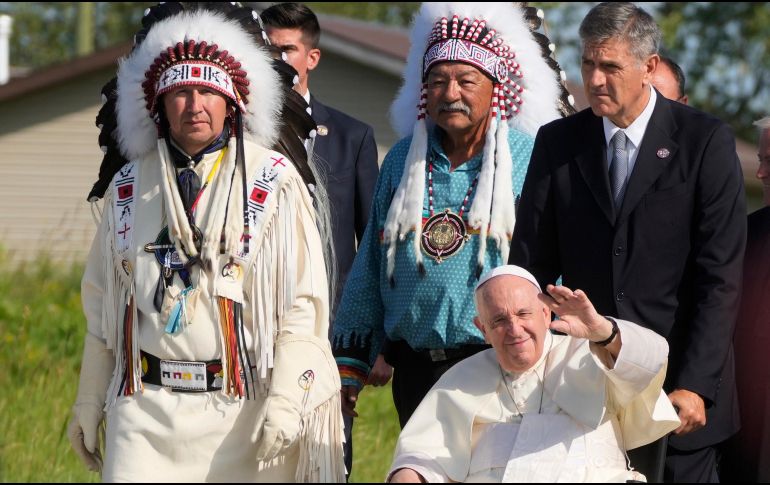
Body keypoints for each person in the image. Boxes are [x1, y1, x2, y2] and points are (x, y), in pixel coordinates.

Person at [67, 3, 344, 482]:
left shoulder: (272, 181)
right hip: (143, 413)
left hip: (241, 411)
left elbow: (302, 304)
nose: (194, 105)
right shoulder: (130, 186)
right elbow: (102, 309)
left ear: (232, 100)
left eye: (207, 91)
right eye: (181, 92)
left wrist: (285, 401)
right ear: (158, 104)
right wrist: (90, 399)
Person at [509, 2, 746, 482]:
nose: (595, 80)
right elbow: (530, 265)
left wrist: (696, 385)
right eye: (588, 64)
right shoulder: (558, 143)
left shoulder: (704, 142)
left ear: (649, 67)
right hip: (588, 396)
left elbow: (719, 278)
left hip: (679, 399)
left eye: (610, 66)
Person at [332, 1, 574, 431]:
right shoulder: (404, 159)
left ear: (495, 87)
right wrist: (351, 359)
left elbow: (557, 258)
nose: (450, 93)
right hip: (416, 371)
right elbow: (371, 260)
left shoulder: (529, 158)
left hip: (503, 366)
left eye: (466, 80)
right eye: (438, 82)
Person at [388, 265, 681, 483]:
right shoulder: (461, 381)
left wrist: (604, 331)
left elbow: (651, 360)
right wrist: (408, 475)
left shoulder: (590, 354)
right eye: (500, 320)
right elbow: (420, 457)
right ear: (483, 330)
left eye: (524, 314)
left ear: (545, 314)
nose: (515, 330)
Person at [260, 3, 385, 475]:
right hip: (258, 328)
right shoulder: (241, 138)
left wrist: (374, 342)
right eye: (266, 49)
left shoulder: (352, 136)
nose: (276, 59)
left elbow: (371, 242)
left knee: (327, 455)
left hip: (330, 332)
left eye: (287, 49)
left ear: (312, 58)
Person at [720, 116, 770, 482]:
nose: (762, 173)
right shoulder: (746, 237)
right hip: (748, 423)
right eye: (763, 160)